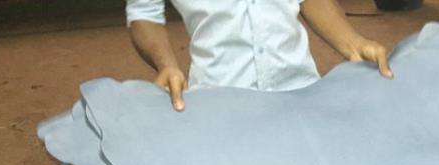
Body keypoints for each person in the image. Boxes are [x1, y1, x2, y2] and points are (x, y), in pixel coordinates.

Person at [126, 0, 393, 111]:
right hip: (222, 100)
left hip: (301, 92)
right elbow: (143, 13)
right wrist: (166, 64)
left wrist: (352, 42)